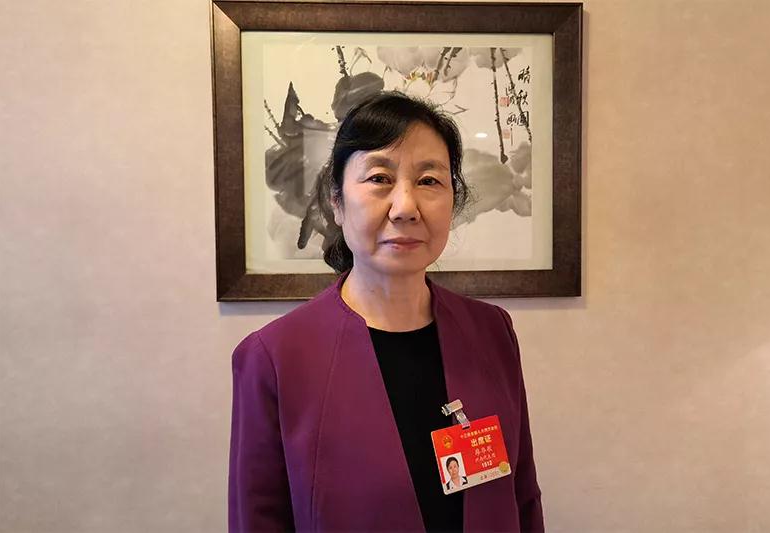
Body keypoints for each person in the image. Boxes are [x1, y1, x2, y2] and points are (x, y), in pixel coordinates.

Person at [229, 91, 544, 532]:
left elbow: (522, 497)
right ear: (336, 201)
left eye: (429, 181)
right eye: (379, 178)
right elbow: (257, 519)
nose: (406, 207)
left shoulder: (491, 331)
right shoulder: (274, 357)